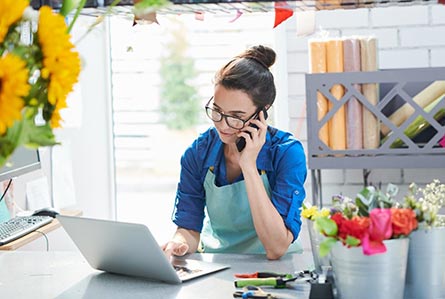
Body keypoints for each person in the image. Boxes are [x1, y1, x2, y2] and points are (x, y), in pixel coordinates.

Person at [162, 45, 307, 260]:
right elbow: (189, 228)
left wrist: (248, 165)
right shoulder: (198, 153)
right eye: (217, 111)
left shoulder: (287, 153)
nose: (223, 124)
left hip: (275, 269)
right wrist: (179, 243)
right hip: (219, 265)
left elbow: (276, 247)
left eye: (236, 116)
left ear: (262, 113)